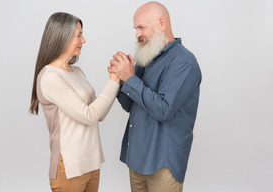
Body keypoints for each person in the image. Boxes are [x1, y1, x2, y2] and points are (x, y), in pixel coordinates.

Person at [109, 1, 202, 192]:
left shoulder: (184, 61)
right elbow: (131, 106)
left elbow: (163, 109)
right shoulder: (148, 54)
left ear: (161, 23)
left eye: (141, 27)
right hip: (137, 160)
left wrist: (130, 78)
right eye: (135, 28)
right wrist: (120, 79)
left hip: (162, 164)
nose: (137, 34)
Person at [29, 12, 120, 192]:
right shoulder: (50, 77)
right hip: (70, 167)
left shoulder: (77, 72)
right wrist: (113, 80)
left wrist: (117, 80)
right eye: (78, 35)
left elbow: (99, 114)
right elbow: (88, 116)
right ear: (62, 36)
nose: (83, 40)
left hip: (91, 163)